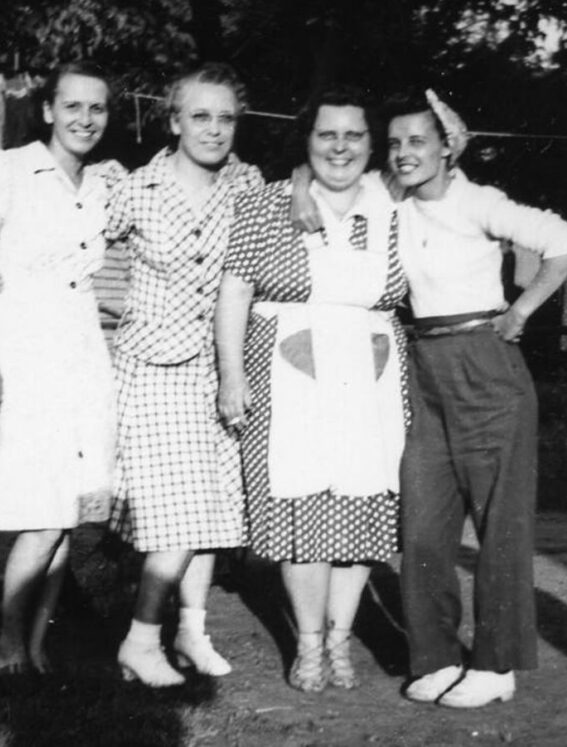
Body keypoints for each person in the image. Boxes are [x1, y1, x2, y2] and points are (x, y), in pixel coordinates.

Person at [384, 90, 567, 707]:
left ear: (447, 146)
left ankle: (497, 665)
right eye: (394, 143)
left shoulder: (477, 201)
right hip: (423, 366)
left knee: (499, 524)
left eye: (417, 141)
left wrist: (521, 309)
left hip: (485, 366)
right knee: (422, 524)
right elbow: (325, 172)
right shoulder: (394, 199)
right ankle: (436, 656)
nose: (402, 154)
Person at [215, 87, 409, 692]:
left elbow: (442, 155)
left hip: (372, 374)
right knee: (303, 511)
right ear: (306, 141)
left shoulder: (393, 206)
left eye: (354, 135)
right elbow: (235, 295)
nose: (340, 146)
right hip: (287, 371)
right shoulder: (266, 204)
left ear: (372, 146)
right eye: (327, 134)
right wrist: (230, 373)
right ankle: (306, 645)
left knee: (362, 507)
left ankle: (340, 641)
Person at [0, 62, 121, 677]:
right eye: (72, 106)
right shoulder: (7, 167)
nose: (84, 119)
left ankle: (36, 644)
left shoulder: (106, 182)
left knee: (67, 510)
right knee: (40, 511)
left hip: (80, 352)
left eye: (97, 109)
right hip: (21, 348)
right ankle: (5, 637)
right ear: (48, 110)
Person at [105, 63, 264, 687]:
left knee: (216, 509)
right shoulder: (133, 189)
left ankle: (192, 632)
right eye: (200, 116)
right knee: (176, 511)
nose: (215, 129)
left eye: (226, 118)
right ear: (173, 122)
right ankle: (140, 640)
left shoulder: (250, 184)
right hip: (152, 366)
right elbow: (80, 245)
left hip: (221, 365)